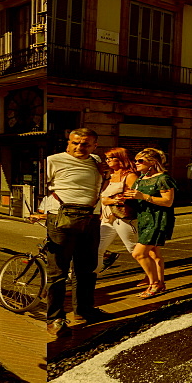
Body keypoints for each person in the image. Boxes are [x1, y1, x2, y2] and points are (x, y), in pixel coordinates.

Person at [44, 128, 109, 337]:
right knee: (58, 272)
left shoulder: (96, 161)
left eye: (85, 144)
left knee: (87, 269)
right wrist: (39, 211)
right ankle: (55, 318)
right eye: (75, 143)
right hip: (60, 218)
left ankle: (84, 311)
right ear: (68, 142)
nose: (79, 147)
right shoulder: (53, 160)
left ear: (94, 145)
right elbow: (39, 185)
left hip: (90, 219)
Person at [123, 148, 176, 299]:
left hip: (158, 220)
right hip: (144, 218)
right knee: (154, 254)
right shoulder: (141, 178)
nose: (136, 163)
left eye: (140, 161)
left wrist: (143, 196)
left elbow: (168, 201)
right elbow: (136, 196)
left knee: (138, 253)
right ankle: (161, 283)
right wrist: (126, 198)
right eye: (135, 160)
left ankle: (154, 284)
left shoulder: (163, 179)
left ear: (153, 163)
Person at [97, 147, 139, 274]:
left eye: (111, 158)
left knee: (134, 249)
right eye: (107, 158)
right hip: (107, 218)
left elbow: (134, 197)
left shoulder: (130, 176)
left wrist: (110, 201)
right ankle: (91, 277)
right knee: (98, 249)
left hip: (122, 218)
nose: (108, 161)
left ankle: (154, 275)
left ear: (121, 159)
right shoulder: (108, 175)